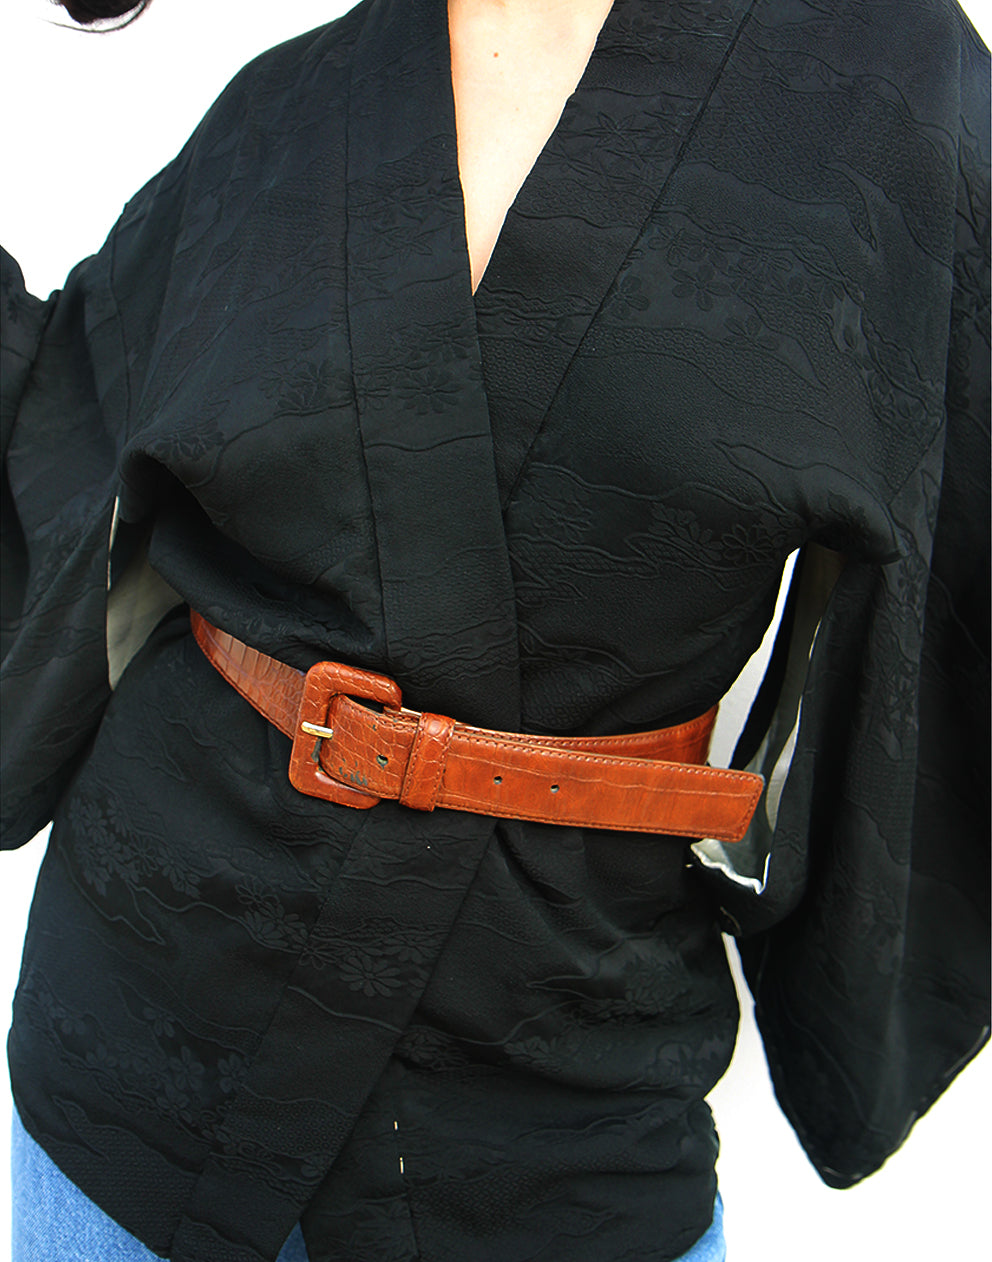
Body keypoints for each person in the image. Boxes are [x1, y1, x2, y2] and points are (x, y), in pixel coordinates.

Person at [2, 0, 988, 1260]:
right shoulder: (287, 104)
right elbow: (52, 431)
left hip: (561, 1107)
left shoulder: (897, 92)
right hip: (123, 1067)